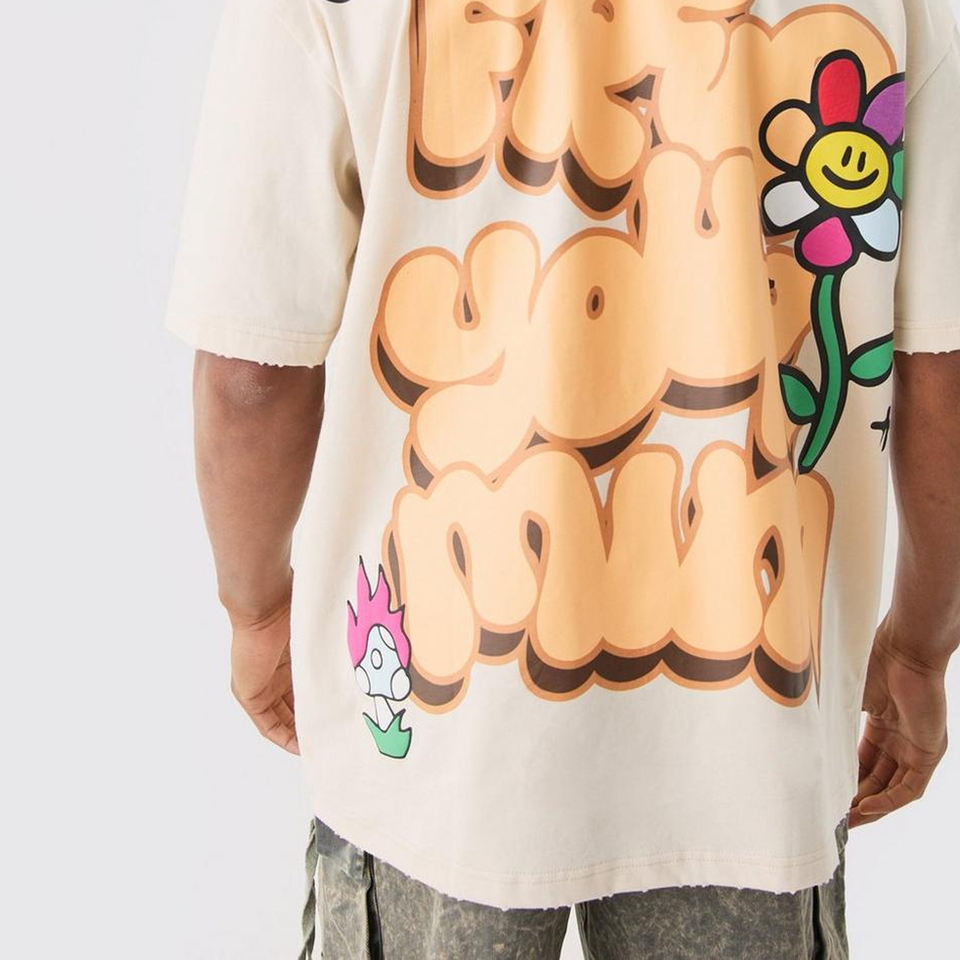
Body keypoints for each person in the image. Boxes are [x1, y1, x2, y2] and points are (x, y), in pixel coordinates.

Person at [166, 0, 960, 956]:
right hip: (755, 730)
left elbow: (250, 377)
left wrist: (256, 609)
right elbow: (941, 373)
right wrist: (919, 650)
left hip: (438, 721)